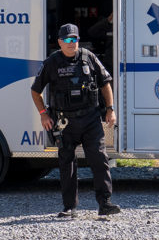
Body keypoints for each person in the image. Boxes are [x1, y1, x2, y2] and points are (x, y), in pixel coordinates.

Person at [31, 23, 121, 218]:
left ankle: (105, 204)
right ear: (60, 42)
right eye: (68, 40)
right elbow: (35, 90)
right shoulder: (51, 63)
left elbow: (105, 83)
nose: (73, 43)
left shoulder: (88, 57)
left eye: (75, 39)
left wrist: (110, 109)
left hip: (90, 119)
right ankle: (69, 207)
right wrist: (43, 114)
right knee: (67, 164)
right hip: (64, 122)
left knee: (99, 160)